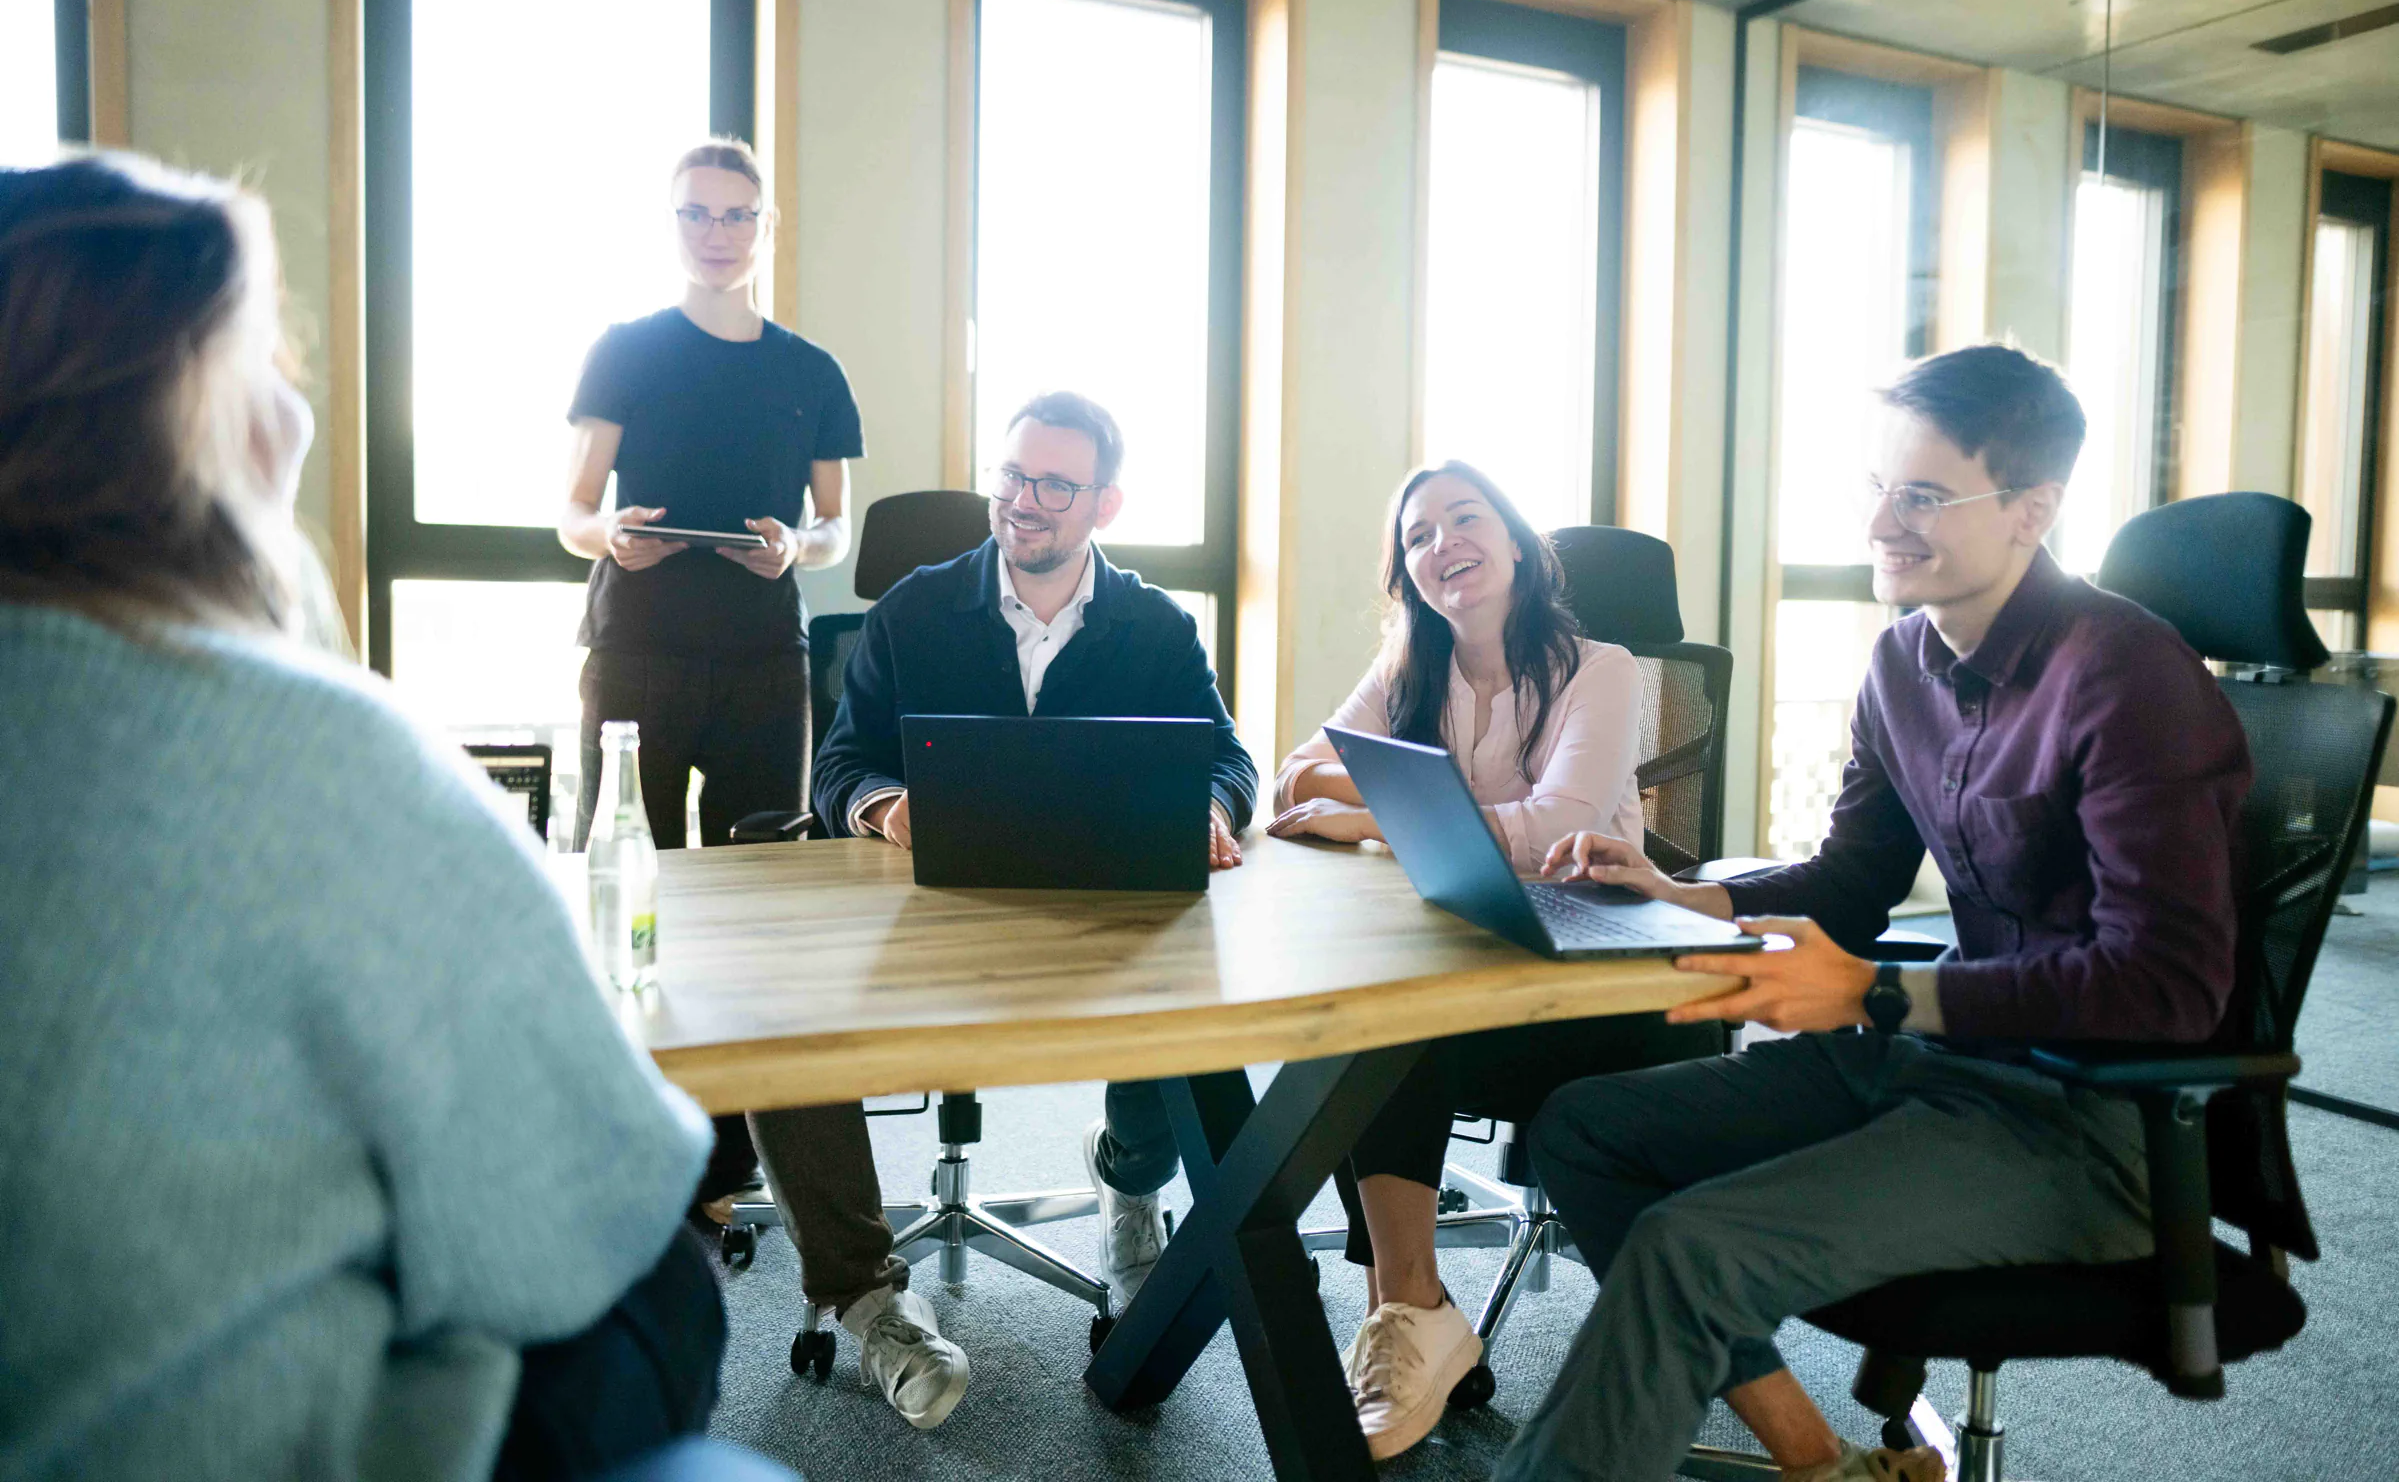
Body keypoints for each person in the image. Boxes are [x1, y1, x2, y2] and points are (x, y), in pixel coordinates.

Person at [0, 155, 722, 1480]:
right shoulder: (315, 756)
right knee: (669, 1290)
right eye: (260, 356)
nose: (298, 411)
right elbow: (590, 1209)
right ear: (163, 415)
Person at [1492, 343, 2251, 1482]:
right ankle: (1823, 1463)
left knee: (1691, 1246)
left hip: (2088, 1123)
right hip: (1935, 1065)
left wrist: (1872, 988)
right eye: (1874, 487)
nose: (1882, 522)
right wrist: (1674, 891)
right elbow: (1850, 878)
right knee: (1578, 1128)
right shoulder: (1901, 662)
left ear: (2029, 512)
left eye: (1924, 494)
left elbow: (2167, 986)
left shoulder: (2127, 676)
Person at [746, 390, 1256, 1431]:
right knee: (770, 1011)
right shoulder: (913, 610)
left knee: (1192, 969)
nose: (1022, 502)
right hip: (924, 920)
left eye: (1053, 485)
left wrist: (1210, 806)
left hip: (1093, 921)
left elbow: (1227, 756)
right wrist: (885, 807)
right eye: (1011, 476)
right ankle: (871, 1299)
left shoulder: (1156, 626)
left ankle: (1129, 1181)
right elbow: (837, 765)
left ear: (1102, 503)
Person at [1266, 461, 1718, 1459]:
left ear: (1515, 543)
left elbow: (1550, 829)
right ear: (1408, 575)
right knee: (1369, 1015)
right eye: (1416, 536)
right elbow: (1291, 775)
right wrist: (1378, 801)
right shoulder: (1404, 671)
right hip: (1469, 966)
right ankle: (1415, 1310)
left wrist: (1361, 811)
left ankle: (1410, 1321)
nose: (1440, 543)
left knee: (1392, 1017)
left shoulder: (1597, 666)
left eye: (1461, 519)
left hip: (1605, 979)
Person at [559, 134, 862, 1220]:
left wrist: (797, 548)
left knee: (756, 907)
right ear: (672, 222)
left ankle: (729, 1163)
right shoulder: (625, 350)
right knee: (627, 891)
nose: (718, 233)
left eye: (738, 215)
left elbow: (834, 530)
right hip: (636, 643)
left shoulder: (809, 370)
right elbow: (572, 510)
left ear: (763, 225)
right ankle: (620, 1134)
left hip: (760, 656)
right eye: (698, 213)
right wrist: (612, 536)